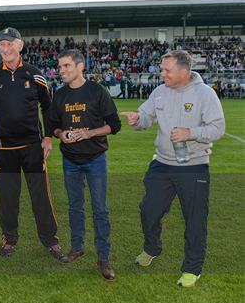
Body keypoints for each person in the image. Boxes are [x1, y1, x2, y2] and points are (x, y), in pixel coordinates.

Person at [121, 50, 225, 287]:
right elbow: (146, 116)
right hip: (162, 164)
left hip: (194, 166)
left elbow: (217, 128)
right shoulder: (159, 91)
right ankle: (152, 248)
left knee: (194, 220)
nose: (162, 73)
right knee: (148, 210)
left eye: (167, 69)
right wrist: (138, 120)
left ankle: (192, 268)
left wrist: (191, 133)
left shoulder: (205, 94)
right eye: (162, 68)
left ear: (184, 71)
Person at [0, 27, 65, 261]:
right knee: (8, 198)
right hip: (4, 150)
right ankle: (9, 238)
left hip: (33, 148)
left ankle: (50, 240)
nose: (5, 48)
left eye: (9, 43)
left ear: (20, 45)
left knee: (41, 197)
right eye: (1, 45)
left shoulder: (34, 75)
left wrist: (47, 138)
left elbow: (48, 107)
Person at [48, 49, 121, 281]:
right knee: (74, 207)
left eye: (66, 66)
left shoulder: (97, 91)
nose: (61, 71)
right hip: (70, 160)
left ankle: (104, 257)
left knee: (100, 209)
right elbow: (53, 126)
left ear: (80, 66)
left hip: (95, 159)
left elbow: (114, 124)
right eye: (60, 67)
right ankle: (77, 247)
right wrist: (62, 134)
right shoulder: (59, 96)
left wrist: (88, 133)